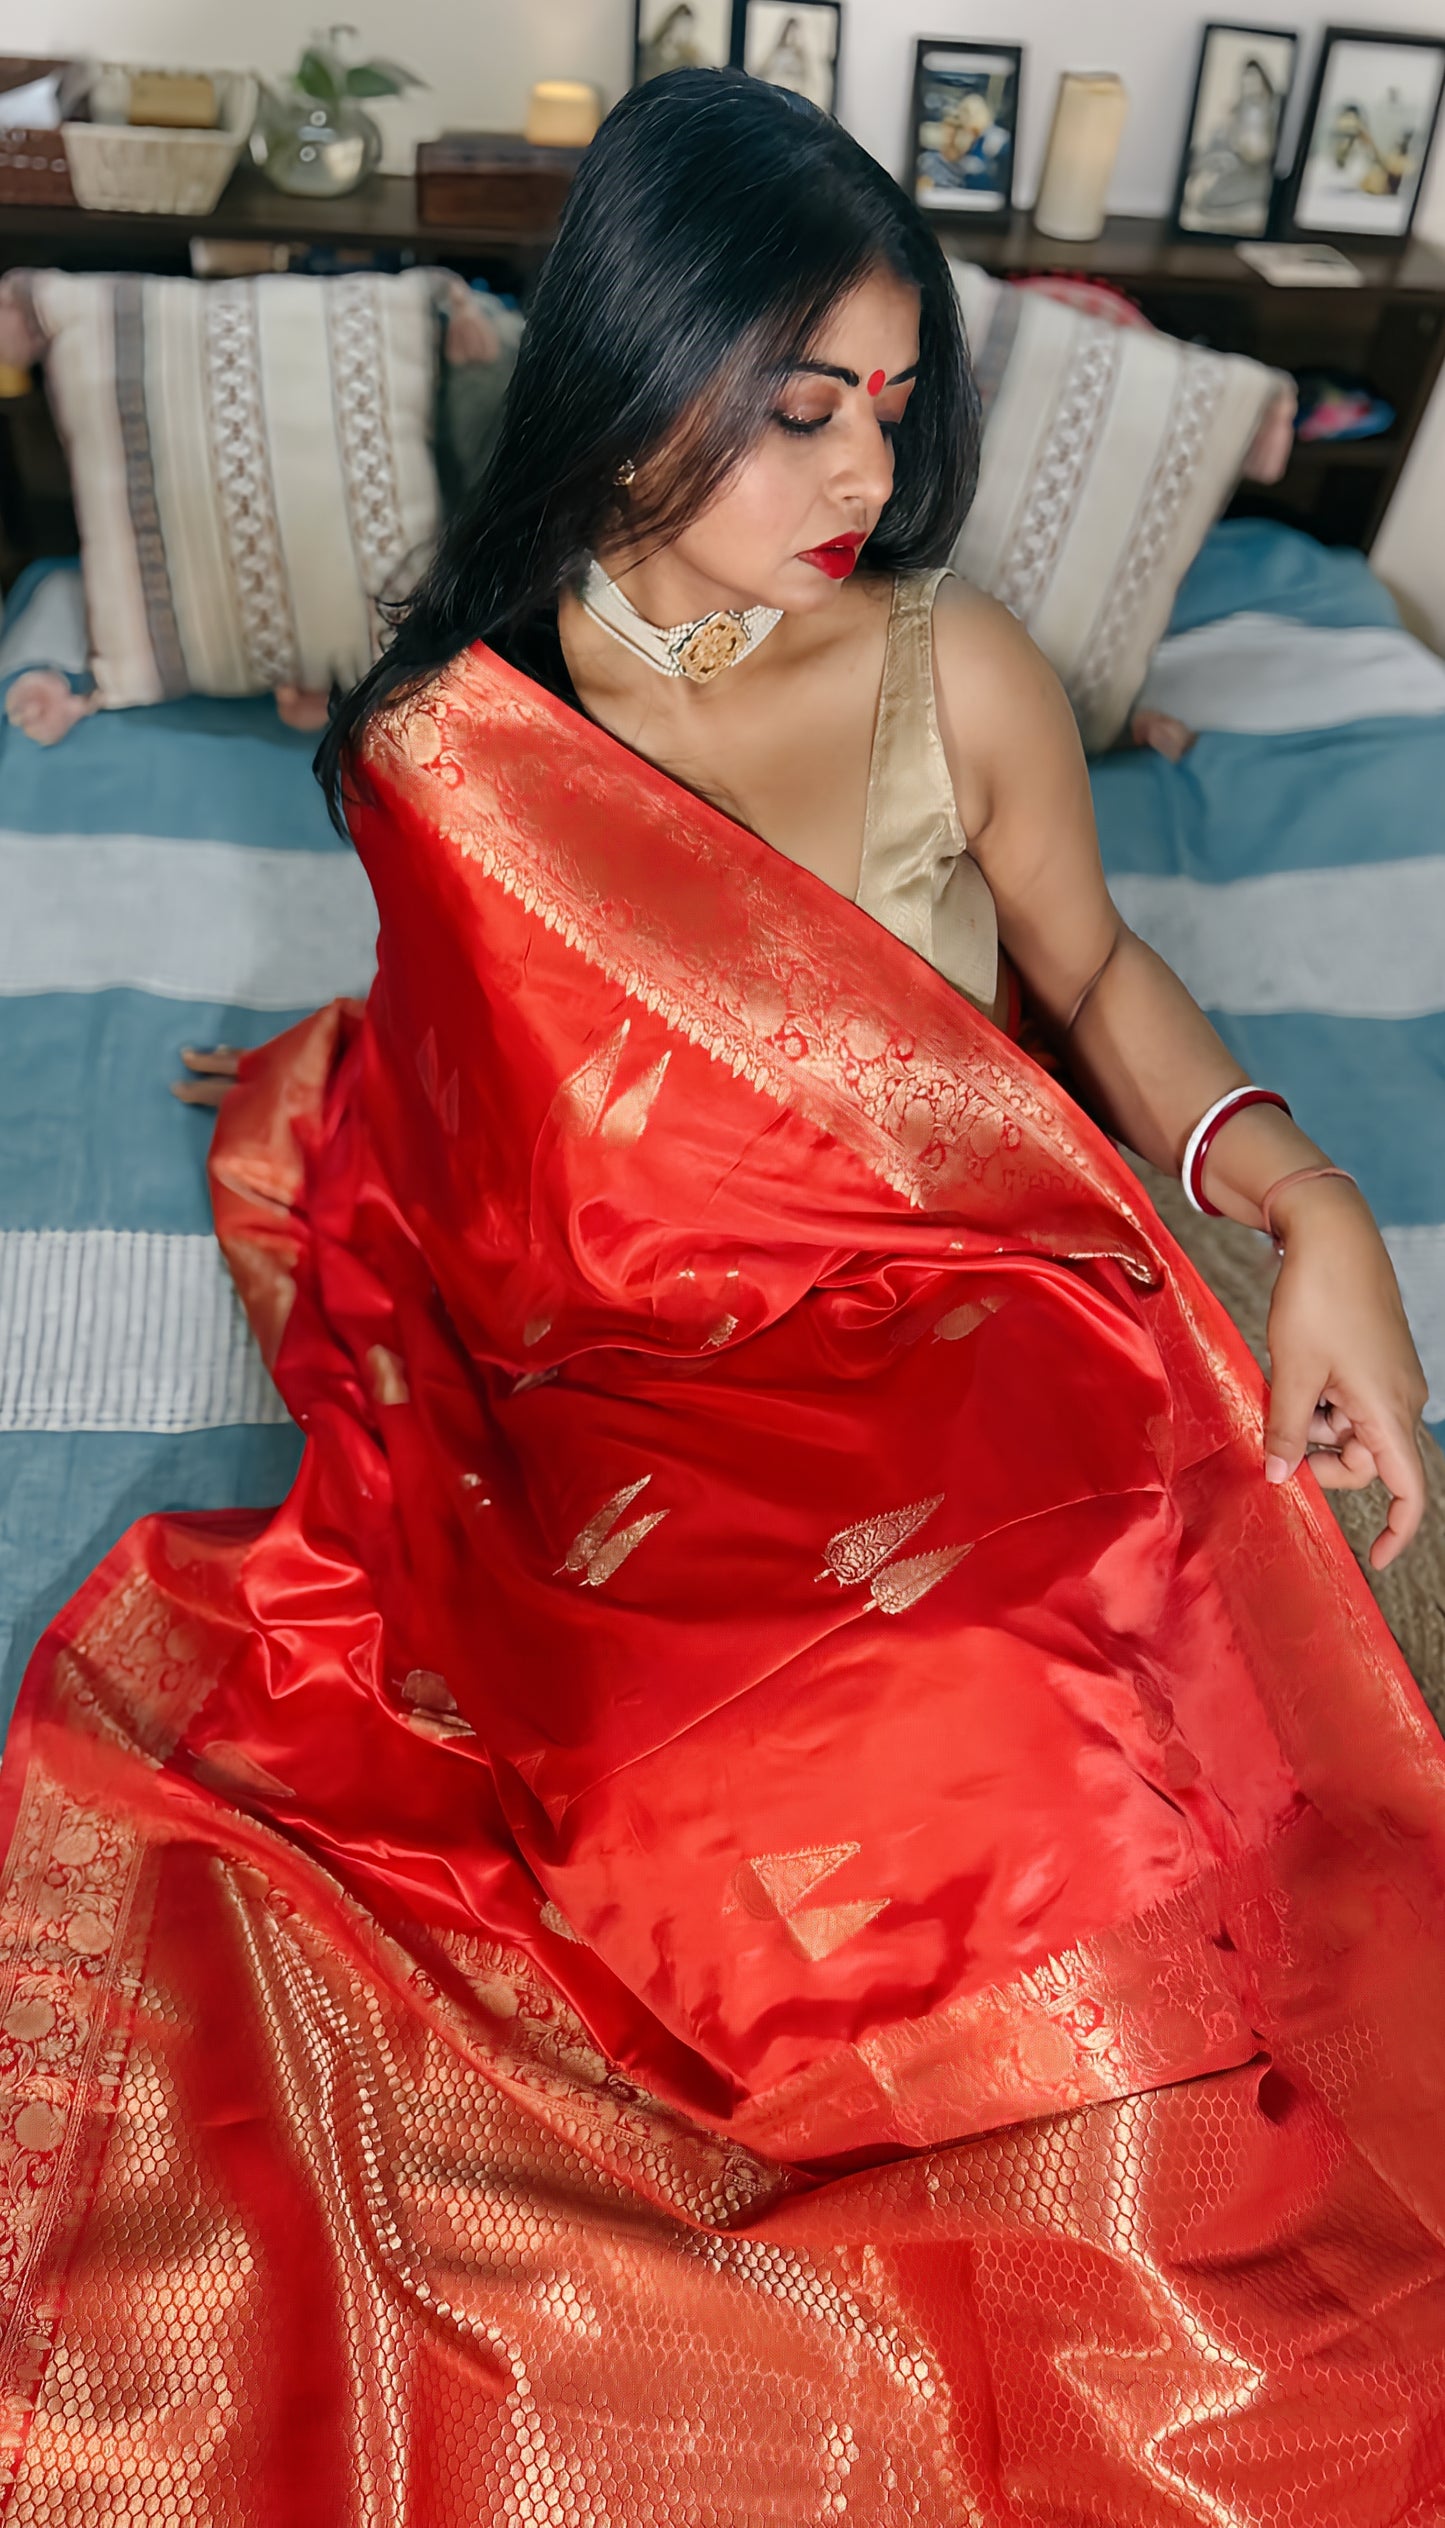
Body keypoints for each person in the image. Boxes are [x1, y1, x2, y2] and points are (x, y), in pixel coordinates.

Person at [7, 68, 1445, 2522]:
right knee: (685, 1776)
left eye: (890, 409)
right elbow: (502, 1128)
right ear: (639, 362)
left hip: (959, 1308)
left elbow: (1089, 982)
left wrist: (1307, 1210)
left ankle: (1129, 2201)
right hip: (615, 1396)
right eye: (794, 412)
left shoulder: (949, 672)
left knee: (1066, 1662)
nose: (858, 477)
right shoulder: (471, 751)